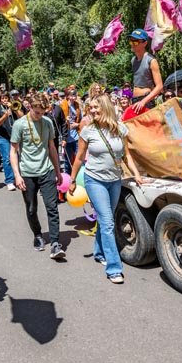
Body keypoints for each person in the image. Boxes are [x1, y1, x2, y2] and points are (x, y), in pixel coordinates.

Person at [69, 95, 144, 284]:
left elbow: (127, 154)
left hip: (114, 180)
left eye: (96, 107)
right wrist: (71, 180)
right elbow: (79, 158)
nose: (93, 111)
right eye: (90, 108)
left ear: (106, 108)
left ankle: (99, 251)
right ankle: (114, 268)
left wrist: (136, 173)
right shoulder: (88, 131)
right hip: (95, 180)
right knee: (108, 222)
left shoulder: (120, 128)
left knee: (105, 219)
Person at [10, 92, 65, 260]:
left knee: (52, 207)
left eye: (43, 112)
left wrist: (57, 171)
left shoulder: (47, 122)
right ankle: (38, 235)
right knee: (32, 209)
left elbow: (52, 147)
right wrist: (17, 176)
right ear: (30, 107)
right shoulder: (19, 125)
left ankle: (55, 244)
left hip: (46, 170)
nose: (40, 115)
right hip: (27, 173)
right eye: (37, 112)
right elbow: (13, 151)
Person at [129, 29, 163, 113]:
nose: (132, 44)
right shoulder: (133, 60)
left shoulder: (151, 61)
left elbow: (159, 86)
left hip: (146, 101)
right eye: (131, 42)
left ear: (144, 43)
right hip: (135, 100)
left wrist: (143, 101)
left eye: (135, 42)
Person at [0, 92, 16, 192]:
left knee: (17, 157)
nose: (5, 100)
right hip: (2, 136)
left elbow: (22, 116)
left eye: (7, 98)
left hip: (15, 136)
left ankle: (17, 177)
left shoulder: (13, 106)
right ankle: (9, 180)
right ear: (0, 99)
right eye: (3, 98)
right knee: (7, 158)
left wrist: (15, 110)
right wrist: (6, 114)